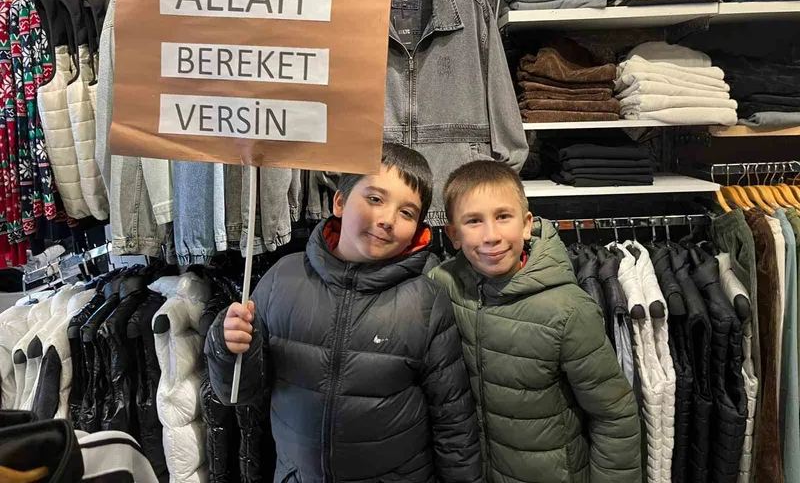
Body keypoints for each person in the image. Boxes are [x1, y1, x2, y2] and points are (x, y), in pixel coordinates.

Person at [205, 144, 482, 483]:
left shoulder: (426, 301)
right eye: (375, 199)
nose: (387, 220)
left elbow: (453, 419)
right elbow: (239, 392)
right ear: (339, 201)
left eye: (407, 213)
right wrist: (227, 347)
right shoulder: (281, 278)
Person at [428, 160, 641, 483]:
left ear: (527, 224)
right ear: (453, 234)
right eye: (473, 221)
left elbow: (614, 416)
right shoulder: (440, 285)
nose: (491, 236)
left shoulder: (568, 310)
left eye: (503, 216)